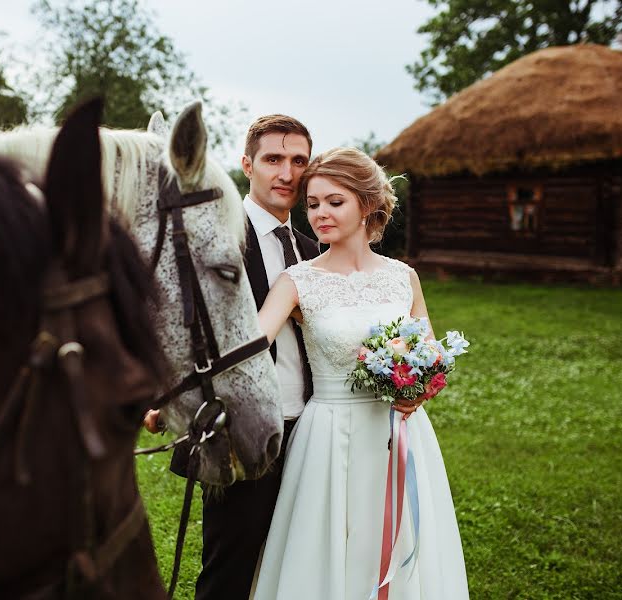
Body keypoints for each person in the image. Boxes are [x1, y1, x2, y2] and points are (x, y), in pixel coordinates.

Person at [251, 147, 469, 600]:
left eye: (335, 202)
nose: (320, 214)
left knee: (397, 536)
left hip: (400, 432)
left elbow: (426, 352)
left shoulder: (402, 277)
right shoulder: (298, 280)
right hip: (329, 434)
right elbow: (252, 344)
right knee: (328, 540)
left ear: (366, 205)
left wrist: (419, 389)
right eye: (312, 204)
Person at [143, 114, 320, 600]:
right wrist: (157, 395)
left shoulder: (312, 249)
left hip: (312, 432)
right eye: (273, 159)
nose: (287, 172)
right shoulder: (213, 235)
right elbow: (171, 312)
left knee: (298, 564)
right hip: (236, 429)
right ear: (247, 165)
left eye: (298, 160)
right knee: (230, 570)